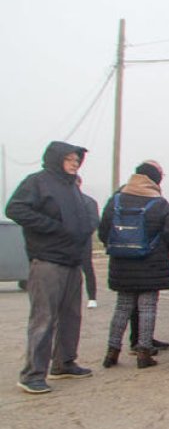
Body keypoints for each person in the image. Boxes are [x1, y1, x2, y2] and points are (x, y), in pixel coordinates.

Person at [6, 141, 98, 394]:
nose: (74, 163)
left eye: (77, 160)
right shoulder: (37, 182)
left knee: (71, 316)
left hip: (72, 261)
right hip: (47, 261)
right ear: (56, 159)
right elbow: (15, 209)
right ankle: (32, 374)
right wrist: (52, 227)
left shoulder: (72, 188)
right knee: (44, 318)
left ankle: (64, 362)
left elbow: (82, 218)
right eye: (69, 159)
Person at [98, 162, 169, 369]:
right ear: (155, 180)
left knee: (122, 307)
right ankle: (143, 353)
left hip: (122, 262)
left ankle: (112, 352)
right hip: (150, 263)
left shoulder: (117, 199)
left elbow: (104, 229)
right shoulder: (157, 202)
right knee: (147, 308)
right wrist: (165, 246)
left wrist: (117, 246)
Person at [77, 176, 100, 310]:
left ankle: (92, 297)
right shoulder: (61, 201)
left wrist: (81, 234)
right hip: (64, 242)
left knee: (87, 269)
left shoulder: (88, 201)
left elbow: (94, 221)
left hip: (83, 241)